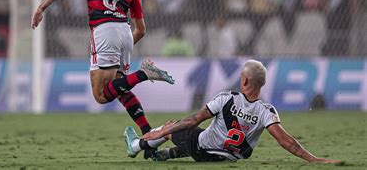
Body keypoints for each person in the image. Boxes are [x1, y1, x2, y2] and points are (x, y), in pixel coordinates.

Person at [31, 0, 175, 142]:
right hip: (125, 32)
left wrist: (41, 7)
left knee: (100, 95)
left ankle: (144, 73)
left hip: (105, 30)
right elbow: (141, 30)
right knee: (118, 87)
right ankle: (148, 133)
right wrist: (124, 44)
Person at [124, 60, 341, 164]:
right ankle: (165, 154)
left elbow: (193, 120)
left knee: (176, 126)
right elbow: (285, 141)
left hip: (203, 150)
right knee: (199, 136)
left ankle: (136, 146)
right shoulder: (267, 110)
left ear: (245, 79)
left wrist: (163, 132)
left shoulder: (226, 98)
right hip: (228, 158)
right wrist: (312, 158)